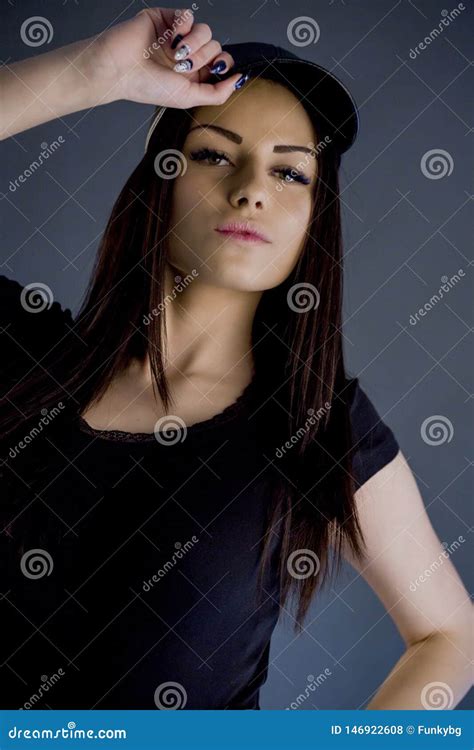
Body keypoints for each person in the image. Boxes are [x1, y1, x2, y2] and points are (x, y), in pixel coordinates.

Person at [0, 7, 471, 711]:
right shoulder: (21, 353)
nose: (251, 187)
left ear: (317, 217)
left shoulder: (314, 422)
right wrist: (95, 72)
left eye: (291, 174)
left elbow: (449, 634)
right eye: (214, 154)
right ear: (162, 176)